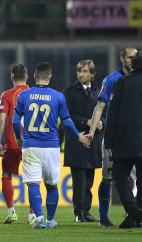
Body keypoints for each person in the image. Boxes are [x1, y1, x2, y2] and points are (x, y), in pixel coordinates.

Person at [13, 62, 90, 229]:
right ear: (50, 76)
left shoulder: (24, 95)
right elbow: (67, 122)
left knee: (33, 183)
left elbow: (15, 120)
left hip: (31, 145)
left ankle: (39, 219)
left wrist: (18, 138)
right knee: (52, 185)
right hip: (51, 146)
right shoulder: (58, 96)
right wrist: (78, 137)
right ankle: (50, 220)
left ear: (34, 76)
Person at [87, 47, 137, 227]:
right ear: (122, 59)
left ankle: (133, 214)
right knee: (108, 178)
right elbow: (100, 107)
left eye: (135, 57)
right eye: (130, 57)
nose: (132, 60)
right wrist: (92, 132)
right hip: (115, 137)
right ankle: (104, 218)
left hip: (135, 137)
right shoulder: (111, 80)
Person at [63, 60, 106, 223]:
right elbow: (65, 116)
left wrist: (101, 122)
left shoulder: (97, 92)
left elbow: (105, 113)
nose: (81, 74)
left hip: (93, 140)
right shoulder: (69, 92)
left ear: (92, 74)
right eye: (79, 71)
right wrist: (86, 122)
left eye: (85, 71)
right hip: (77, 139)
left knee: (89, 179)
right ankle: (79, 212)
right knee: (79, 180)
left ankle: (86, 211)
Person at [104, 50, 142, 229]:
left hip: (125, 139)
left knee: (119, 174)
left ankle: (133, 211)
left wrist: (109, 141)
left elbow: (112, 114)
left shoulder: (122, 82)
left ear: (132, 65)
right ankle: (138, 216)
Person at [0, 63, 36, 224]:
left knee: (7, 175)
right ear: (27, 77)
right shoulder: (35, 94)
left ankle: (11, 212)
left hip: (12, 142)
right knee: (33, 179)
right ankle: (33, 215)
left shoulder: (7, 94)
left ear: (12, 78)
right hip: (32, 142)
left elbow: (1, 119)